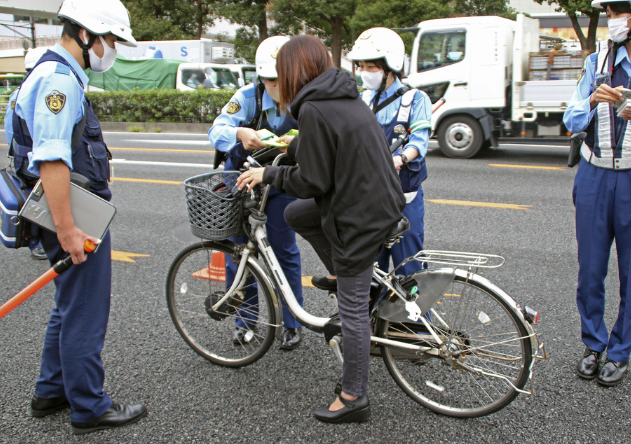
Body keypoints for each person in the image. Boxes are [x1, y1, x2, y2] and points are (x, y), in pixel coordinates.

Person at [237, 35, 405, 423]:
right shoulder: (341, 96)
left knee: (352, 312)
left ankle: (353, 397)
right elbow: (325, 143)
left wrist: (268, 173)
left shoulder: (313, 107)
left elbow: (312, 180)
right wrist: (286, 148)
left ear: (293, 71)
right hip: (378, 201)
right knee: (296, 214)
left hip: (359, 217)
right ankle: (339, 272)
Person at [11, 0, 146, 434]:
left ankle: (51, 391)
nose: (114, 50)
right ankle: (89, 406)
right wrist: (68, 229)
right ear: (86, 35)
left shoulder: (58, 74)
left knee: (68, 306)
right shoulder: (59, 81)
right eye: (112, 40)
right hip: (70, 215)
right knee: (85, 309)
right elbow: (51, 161)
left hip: (65, 211)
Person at [309, 27, 431, 291]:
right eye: (361, 65)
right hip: (368, 200)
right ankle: (375, 327)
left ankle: (416, 329)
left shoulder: (415, 99)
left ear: (390, 67)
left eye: (371, 66)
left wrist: (396, 160)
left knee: (409, 270)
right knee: (371, 270)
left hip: (403, 197)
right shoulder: (361, 98)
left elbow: (418, 144)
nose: (365, 72)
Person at [208, 35, 305, 350]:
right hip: (241, 180)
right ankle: (245, 321)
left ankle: (293, 322)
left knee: (283, 251)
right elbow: (216, 129)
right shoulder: (247, 96)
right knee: (238, 253)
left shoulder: (304, 98)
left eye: (280, 78)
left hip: (280, 181)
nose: (274, 84)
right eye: (269, 78)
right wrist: (238, 132)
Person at [563, 0, 631, 387]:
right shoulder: (598, 60)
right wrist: (590, 101)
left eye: (620, 10)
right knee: (590, 270)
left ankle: (620, 350)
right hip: (594, 174)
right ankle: (594, 343)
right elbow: (570, 118)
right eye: (609, 12)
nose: (613, 19)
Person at [4, 47, 50, 260]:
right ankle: (39, 242)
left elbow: (10, 130)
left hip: (21, 157)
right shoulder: (40, 93)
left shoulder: (16, 94)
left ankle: (36, 241)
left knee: (33, 197)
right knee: (43, 199)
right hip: (36, 158)